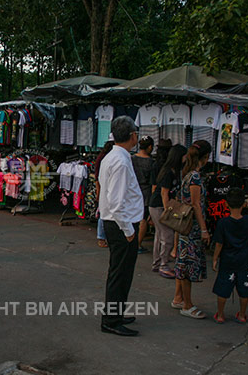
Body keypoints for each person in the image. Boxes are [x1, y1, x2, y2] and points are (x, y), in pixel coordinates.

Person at [98, 116, 143, 337]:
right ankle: (111, 320)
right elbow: (116, 203)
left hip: (116, 223)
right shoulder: (121, 161)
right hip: (121, 225)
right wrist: (128, 231)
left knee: (121, 273)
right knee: (120, 274)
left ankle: (115, 313)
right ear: (133, 136)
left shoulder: (112, 157)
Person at [211, 188, 248, 324]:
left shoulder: (223, 223)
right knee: (244, 287)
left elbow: (219, 243)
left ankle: (221, 314)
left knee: (223, 288)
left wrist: (215, 258)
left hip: (228, 260)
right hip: (245, 260)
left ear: (227, 204)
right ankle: (242, 314)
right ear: (242, 204)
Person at [174, 140, 212, 320]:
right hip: (192, 228)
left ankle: (180, 299)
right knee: (188, 264)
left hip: (186, 227)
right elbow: (196, 204)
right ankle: (187, 304)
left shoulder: (187, 174)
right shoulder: (195, 177)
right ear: (205, 157)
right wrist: (204, 229)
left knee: (184, 263)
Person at [149, 144, 187, 279]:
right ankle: (163, 265)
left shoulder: (169, 171)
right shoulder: (169, 172)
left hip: (156, 205)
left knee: (160, 236)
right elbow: (164, 193)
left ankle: (157, 263)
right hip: (159, 206)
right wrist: (168, 211)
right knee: (167, 236)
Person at [132, 136, 155, 253]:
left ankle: (131, 242)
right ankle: (138, 245)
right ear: (150, 147)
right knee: (143, 220)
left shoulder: (132, 159)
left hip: (133, 191)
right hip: (145, 193)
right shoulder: (151, 162)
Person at [94, 139, 115, 248]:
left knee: (105, 212)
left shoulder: (106, 159)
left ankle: (103, 236)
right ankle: (101, 236)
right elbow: (97, 177)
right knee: (103, 213)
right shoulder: (103, 159)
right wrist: (99, 192)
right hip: (103, 188)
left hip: (105, 188)